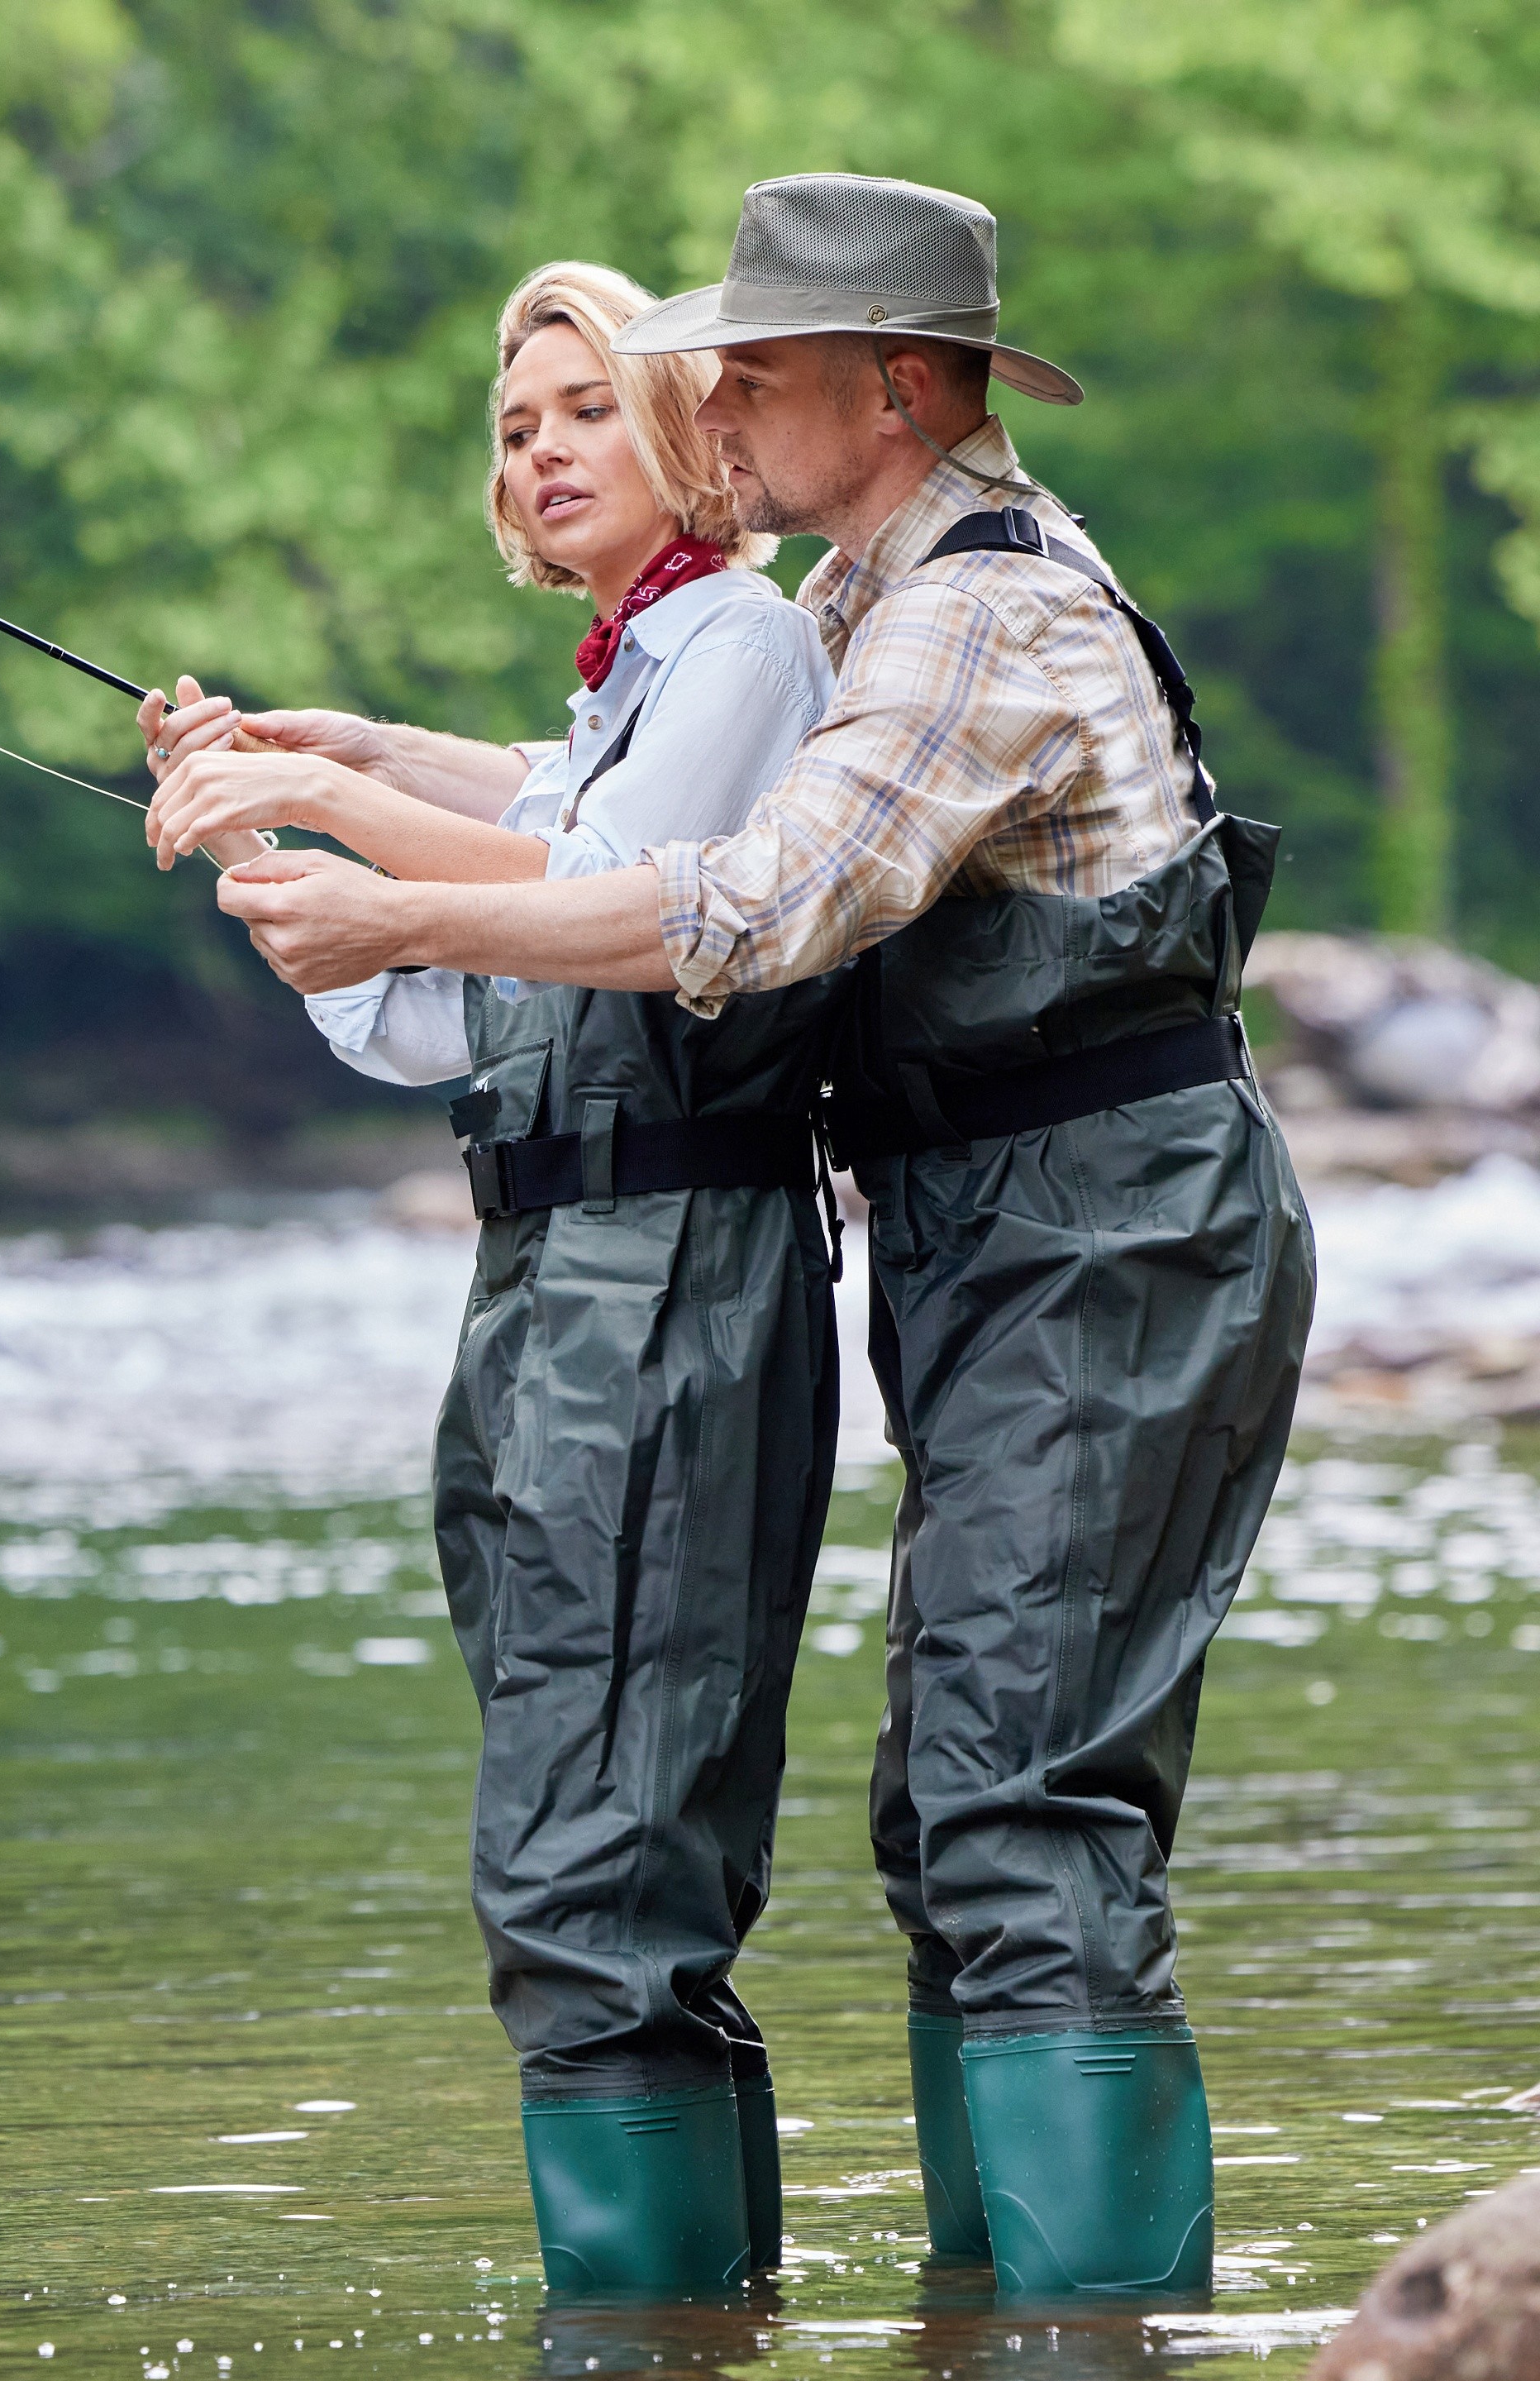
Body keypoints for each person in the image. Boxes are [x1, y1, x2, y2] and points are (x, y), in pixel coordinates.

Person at [207, 175, 1317, 2301]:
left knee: (1022, 1807)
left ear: (894, 389)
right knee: (956, 1814)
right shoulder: (857, 589)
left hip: (1121, 1237)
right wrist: (346, 754)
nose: (713, 393)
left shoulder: (975, 615)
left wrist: (388, 906)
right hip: (1011, 1239)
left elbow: (749, 900)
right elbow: (604, 786)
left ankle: (1093, 2338)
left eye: (759, 367)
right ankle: (1002, 2330)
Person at [141, 261, 846, 2296]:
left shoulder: (730, 642)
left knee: (595, 1860)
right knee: (601, 1828)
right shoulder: (636, 677)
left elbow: (623, 880)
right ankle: (704, 2327)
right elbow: (489, 928)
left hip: (664, 1290)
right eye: (512, 426)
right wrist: (326, 816)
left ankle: (642, 2336)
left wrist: (332, 806)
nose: (536, 450)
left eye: (582, 411)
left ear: (695, 438)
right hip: (563, 1289)